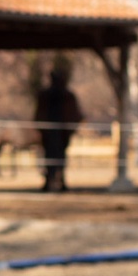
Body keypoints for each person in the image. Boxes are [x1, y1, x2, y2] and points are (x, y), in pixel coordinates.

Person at [33, 60, 83, 192]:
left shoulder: (66, 97)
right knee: (52, 156)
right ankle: (51, 180)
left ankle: (58, 180)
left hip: (60, 133)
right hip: (52, 133)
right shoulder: (48, 96)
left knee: (57, 156)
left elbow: (75, 116)